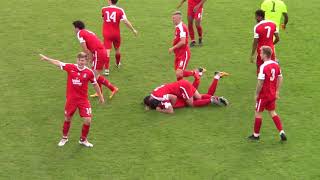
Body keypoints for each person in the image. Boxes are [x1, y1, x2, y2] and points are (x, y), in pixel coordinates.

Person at [39, 52, 105, 147]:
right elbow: (59, 63)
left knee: (88, 120)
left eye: (83, 60)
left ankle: (83, 140)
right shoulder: (70, 67)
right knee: (67, 118)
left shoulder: (89, 72)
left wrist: (101, 96)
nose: (80, 62)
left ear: (86, 61)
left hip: (83, 100)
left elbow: (95, 84)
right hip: (71, 100)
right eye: (79, 60)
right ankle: (64, 138)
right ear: (77, 60)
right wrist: (47, 59)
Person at [144, 71, 229, 114]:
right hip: (182, 85)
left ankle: (212, 100)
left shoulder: (161, 99)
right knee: (199, 97)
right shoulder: (154, 92)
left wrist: (164, 108)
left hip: (182, 88)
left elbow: (171, 106)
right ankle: (216, 76)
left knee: (191, 104)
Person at [248, 46, 287, 141]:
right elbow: (280, 78)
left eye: (261, 53)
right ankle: (281, 131)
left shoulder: (263, 67)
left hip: (264, 95)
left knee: (258, 113)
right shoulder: (276, 64)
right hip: (272, 94)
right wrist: (277, 91)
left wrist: (256, 94)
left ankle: (256, 135)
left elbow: (260, 82)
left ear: (265, 55)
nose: (259, 55)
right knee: (272, 112)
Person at [72, 20, 118, 99]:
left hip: (98, 53)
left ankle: (113, 88)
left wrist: (89, 58)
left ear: (77, 28)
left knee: (94, 75)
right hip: (100, 52)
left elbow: (85, 48)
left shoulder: (80, 33)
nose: (73, 30)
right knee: (94, 74)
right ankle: (99, 92)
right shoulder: (88, 31)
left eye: (74, 28)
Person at [101, 0, 138, 75]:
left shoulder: (103, 9)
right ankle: (118, 64)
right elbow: (125, 21)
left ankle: (107, 70)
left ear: (109, 1)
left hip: (107, 33)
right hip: (116, 33)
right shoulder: (120, 10)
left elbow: (103, 19)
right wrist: (133, 29)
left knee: (107, 51)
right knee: (117, 49)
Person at [250, 10, 280, 74]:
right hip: (271, 50)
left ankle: (261, 83)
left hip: (262, 51)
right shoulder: (273, 23)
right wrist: (271, 44)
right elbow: (277, 38)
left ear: (259, 17)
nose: (255, 18)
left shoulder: (257, 27)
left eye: (256, 17)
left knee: (260, 69)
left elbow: (255, 43)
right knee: (271, 67)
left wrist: (252, 55)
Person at [169, 11, 196, 80]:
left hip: (183, 54)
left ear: (179, 18)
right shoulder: (178, 27)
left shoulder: (182, 28)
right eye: (172, 18)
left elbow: (183, 42)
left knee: (179, 73)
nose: (172, 20)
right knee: (178, 74)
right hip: (178, 54)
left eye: (174, 18)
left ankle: (195, 73)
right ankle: (180, 89)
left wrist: (173, 48)